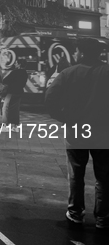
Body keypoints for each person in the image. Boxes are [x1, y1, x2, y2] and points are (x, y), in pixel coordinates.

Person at [45, 38, 109, 229]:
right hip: (103, 131)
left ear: (81, 53)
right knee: (104, 177)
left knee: (76, 174)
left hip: (76, 131)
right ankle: (103, 218)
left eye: (75, 51)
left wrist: (64, 117)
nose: (73, 55)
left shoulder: (67, 73)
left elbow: (50, 99)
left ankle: (75, 213)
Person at [0, 59, 28, 132]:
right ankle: (15, 126)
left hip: (11, 92)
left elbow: (5, 80)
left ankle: (5, 126)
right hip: (19, 92)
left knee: (5, 108)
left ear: (19, 64)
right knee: (15, 109)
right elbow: (23, 84)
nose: (15, 64)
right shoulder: (25, 73)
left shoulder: (14, 72)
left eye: (16, 63)